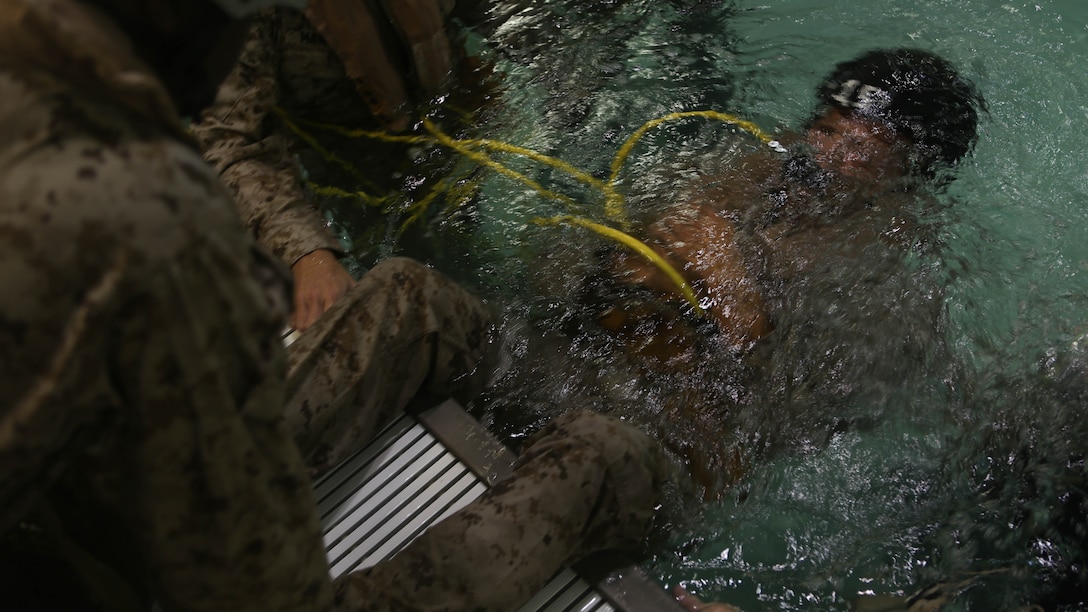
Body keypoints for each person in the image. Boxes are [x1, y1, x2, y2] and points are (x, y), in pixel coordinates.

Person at [0, 1, 672, 611]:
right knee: (610, 459)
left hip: (80, 487)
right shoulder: (132, 204)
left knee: (414, 297)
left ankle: (557, 406)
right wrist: (304, 250)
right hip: (79, 567)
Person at [193, 1, 492, 331]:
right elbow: (227, 145)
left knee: (475, 259)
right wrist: (305, 252)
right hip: (359, 182)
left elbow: (479, 9)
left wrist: (482, 61)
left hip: (455, 129)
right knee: (422, 309)